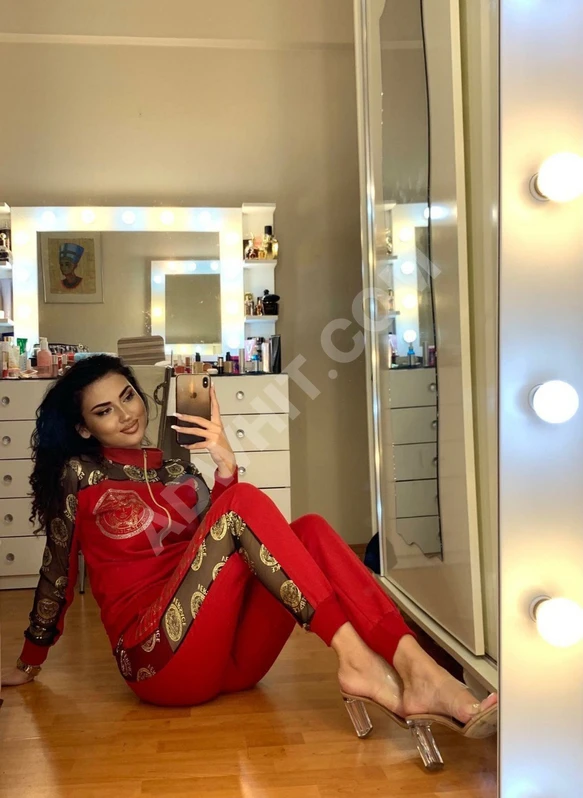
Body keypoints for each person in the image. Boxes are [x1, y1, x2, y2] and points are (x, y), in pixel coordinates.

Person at [0, 355, 496, 769]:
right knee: (242, 505)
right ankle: (357, 661)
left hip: (231, 661)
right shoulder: (79, 476)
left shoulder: (177, 469)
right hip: (157, 661)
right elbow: (57, 573)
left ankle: (418, 669)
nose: (126, 414)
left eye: (128, 396)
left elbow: (221, 546)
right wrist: (30, 660)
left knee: (311, 530)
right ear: (84, 428)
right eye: (104, 411)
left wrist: (224, 464)